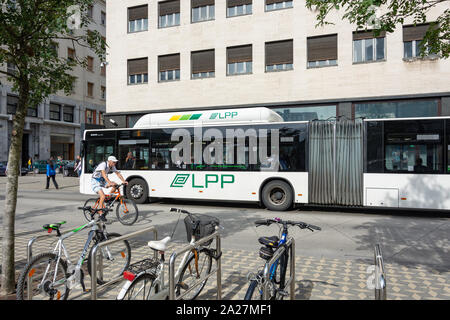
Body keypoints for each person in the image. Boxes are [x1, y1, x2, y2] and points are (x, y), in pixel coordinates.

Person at [91, 156, 128, 221]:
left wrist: (123, 181)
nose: (115, 163)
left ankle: (108, 199)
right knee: (102, 196)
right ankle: (100, 213)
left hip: (102, 181)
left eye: (115, 162)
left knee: (115, 185)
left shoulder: (112, 166)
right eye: (114, 162)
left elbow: (117, 173)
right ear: (110, 161)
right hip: (95, 181)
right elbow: (103, 174)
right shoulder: (103, 164)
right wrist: (109, 182)